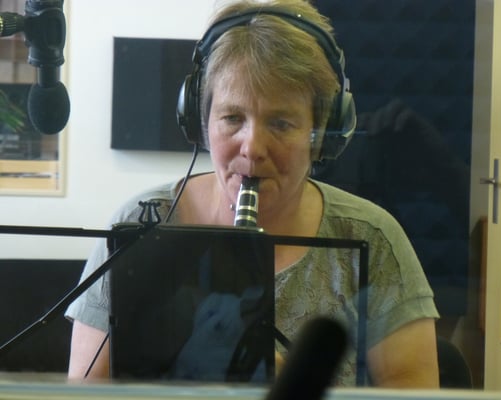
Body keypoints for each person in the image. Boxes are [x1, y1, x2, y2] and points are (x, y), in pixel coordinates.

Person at [66, 0, 440, 388]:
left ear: (321, 135)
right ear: (200, 120)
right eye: (232, 118)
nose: (252, 147)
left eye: (281, 123)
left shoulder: (373, 238)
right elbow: (85, 390)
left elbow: (415, 393)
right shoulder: (141, 224)